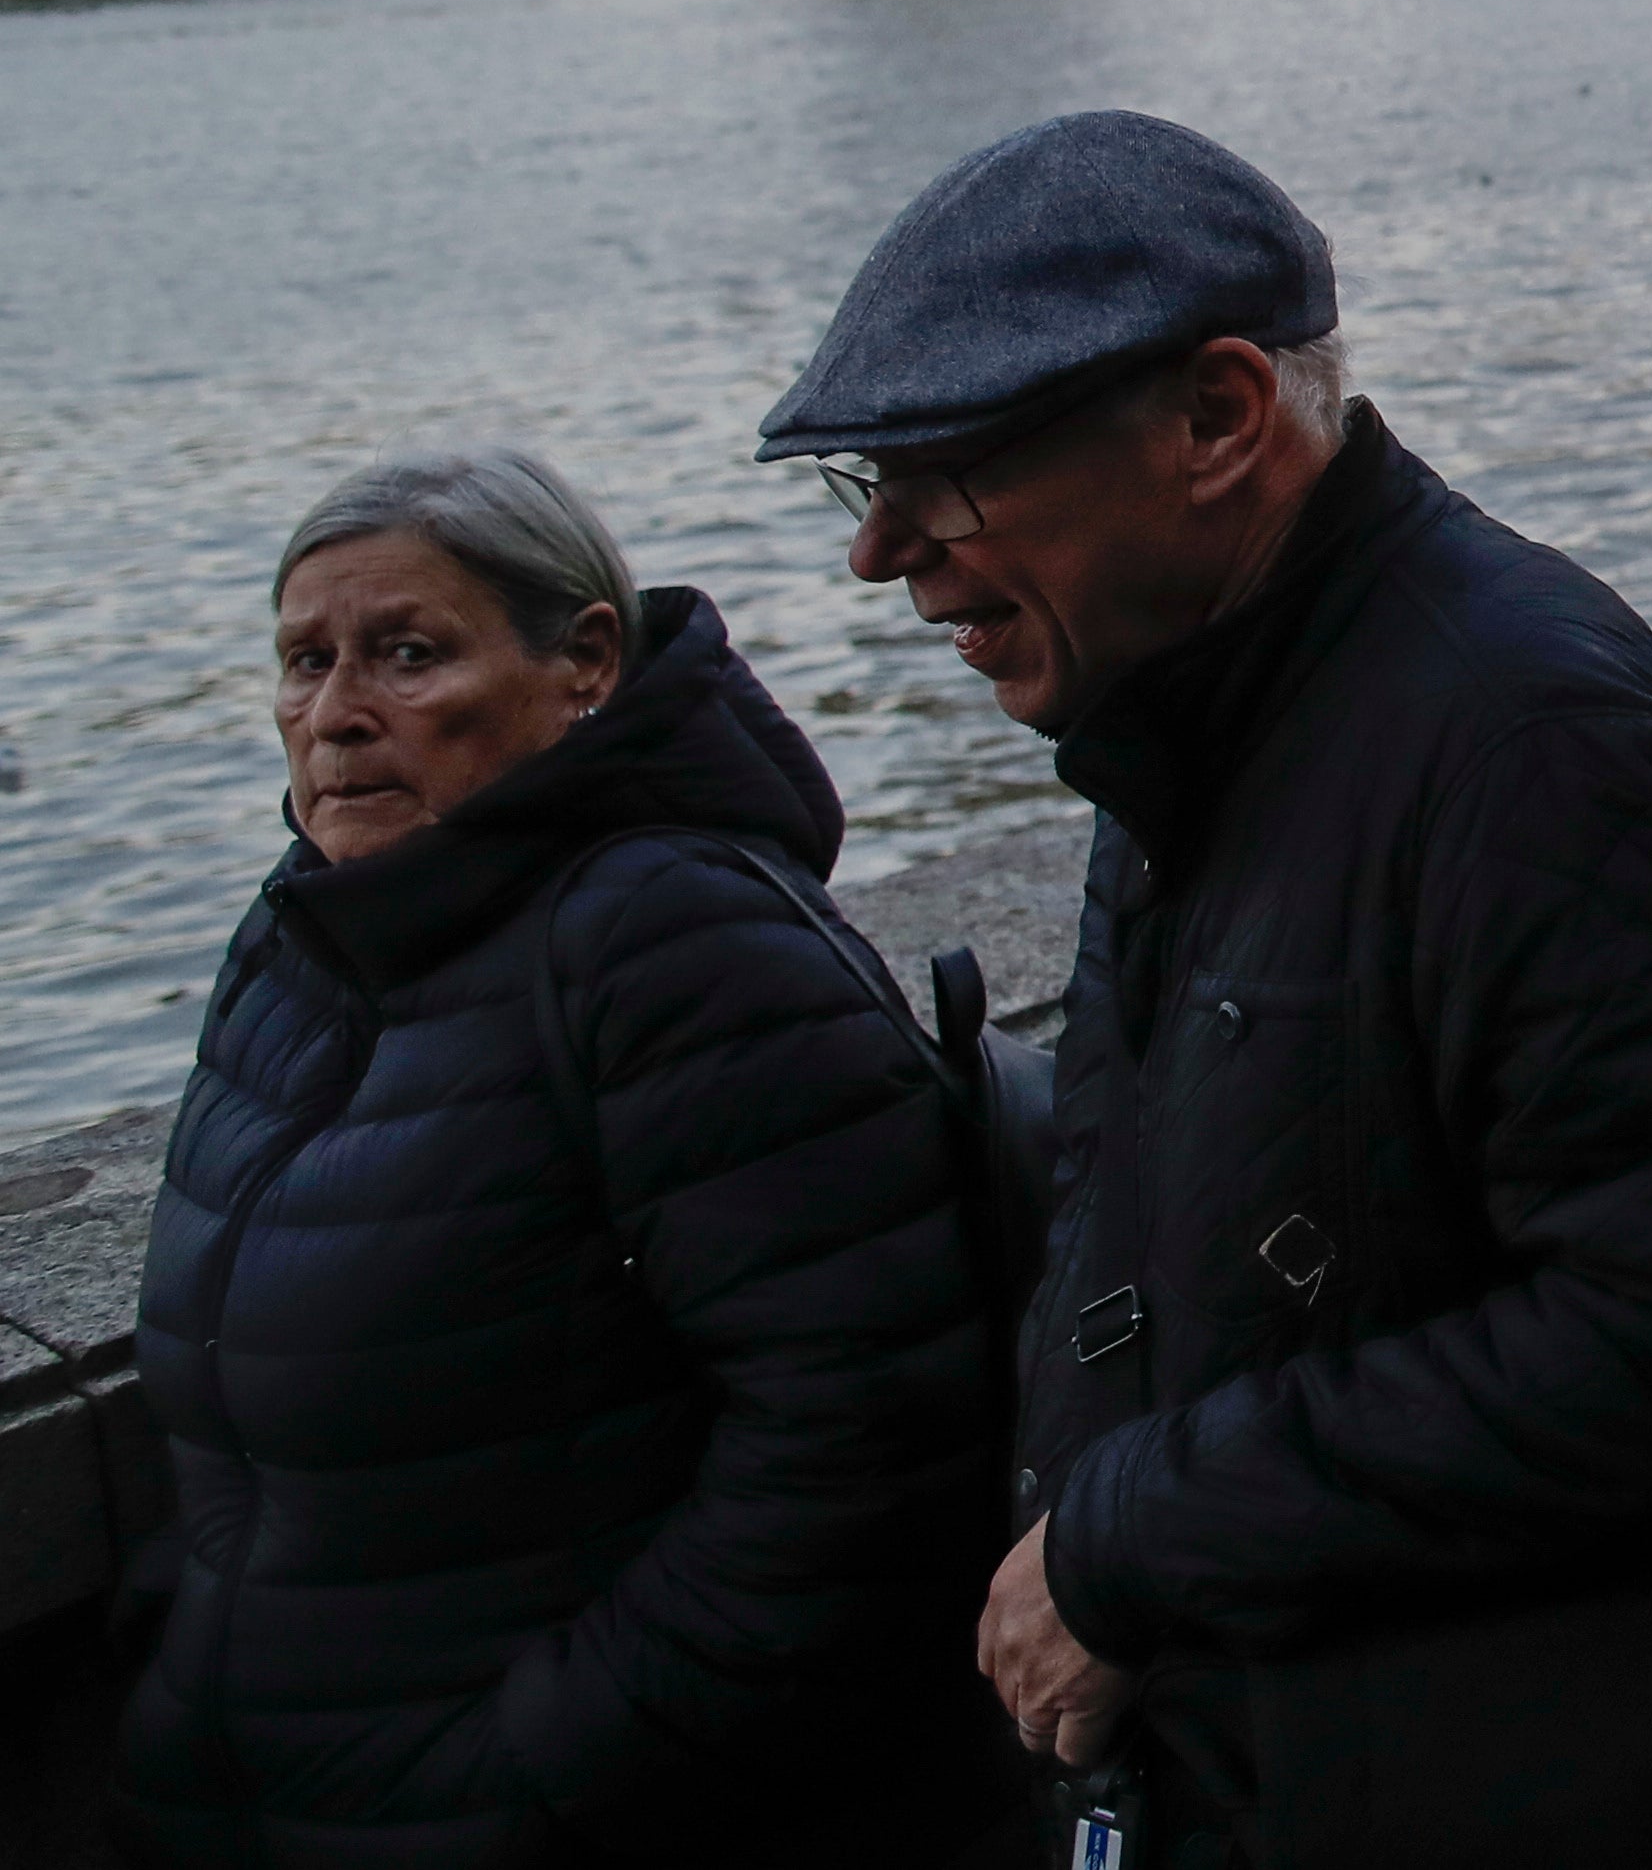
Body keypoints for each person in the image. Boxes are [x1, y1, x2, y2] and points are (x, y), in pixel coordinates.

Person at [759, 111, 1652, 1870]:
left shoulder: (1523, 734)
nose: (882, 549)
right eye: (865, 481)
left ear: (1216, 418)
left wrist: (1129, 1533)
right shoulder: (1191, 700)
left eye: (946, 473)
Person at [118, 453, 1020, 1870]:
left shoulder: (674, 942)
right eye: (304, 662)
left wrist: (528, 1776)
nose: (336, 715)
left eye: (407, 656)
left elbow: (860, 1452)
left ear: (584, 660)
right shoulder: (300, 936)